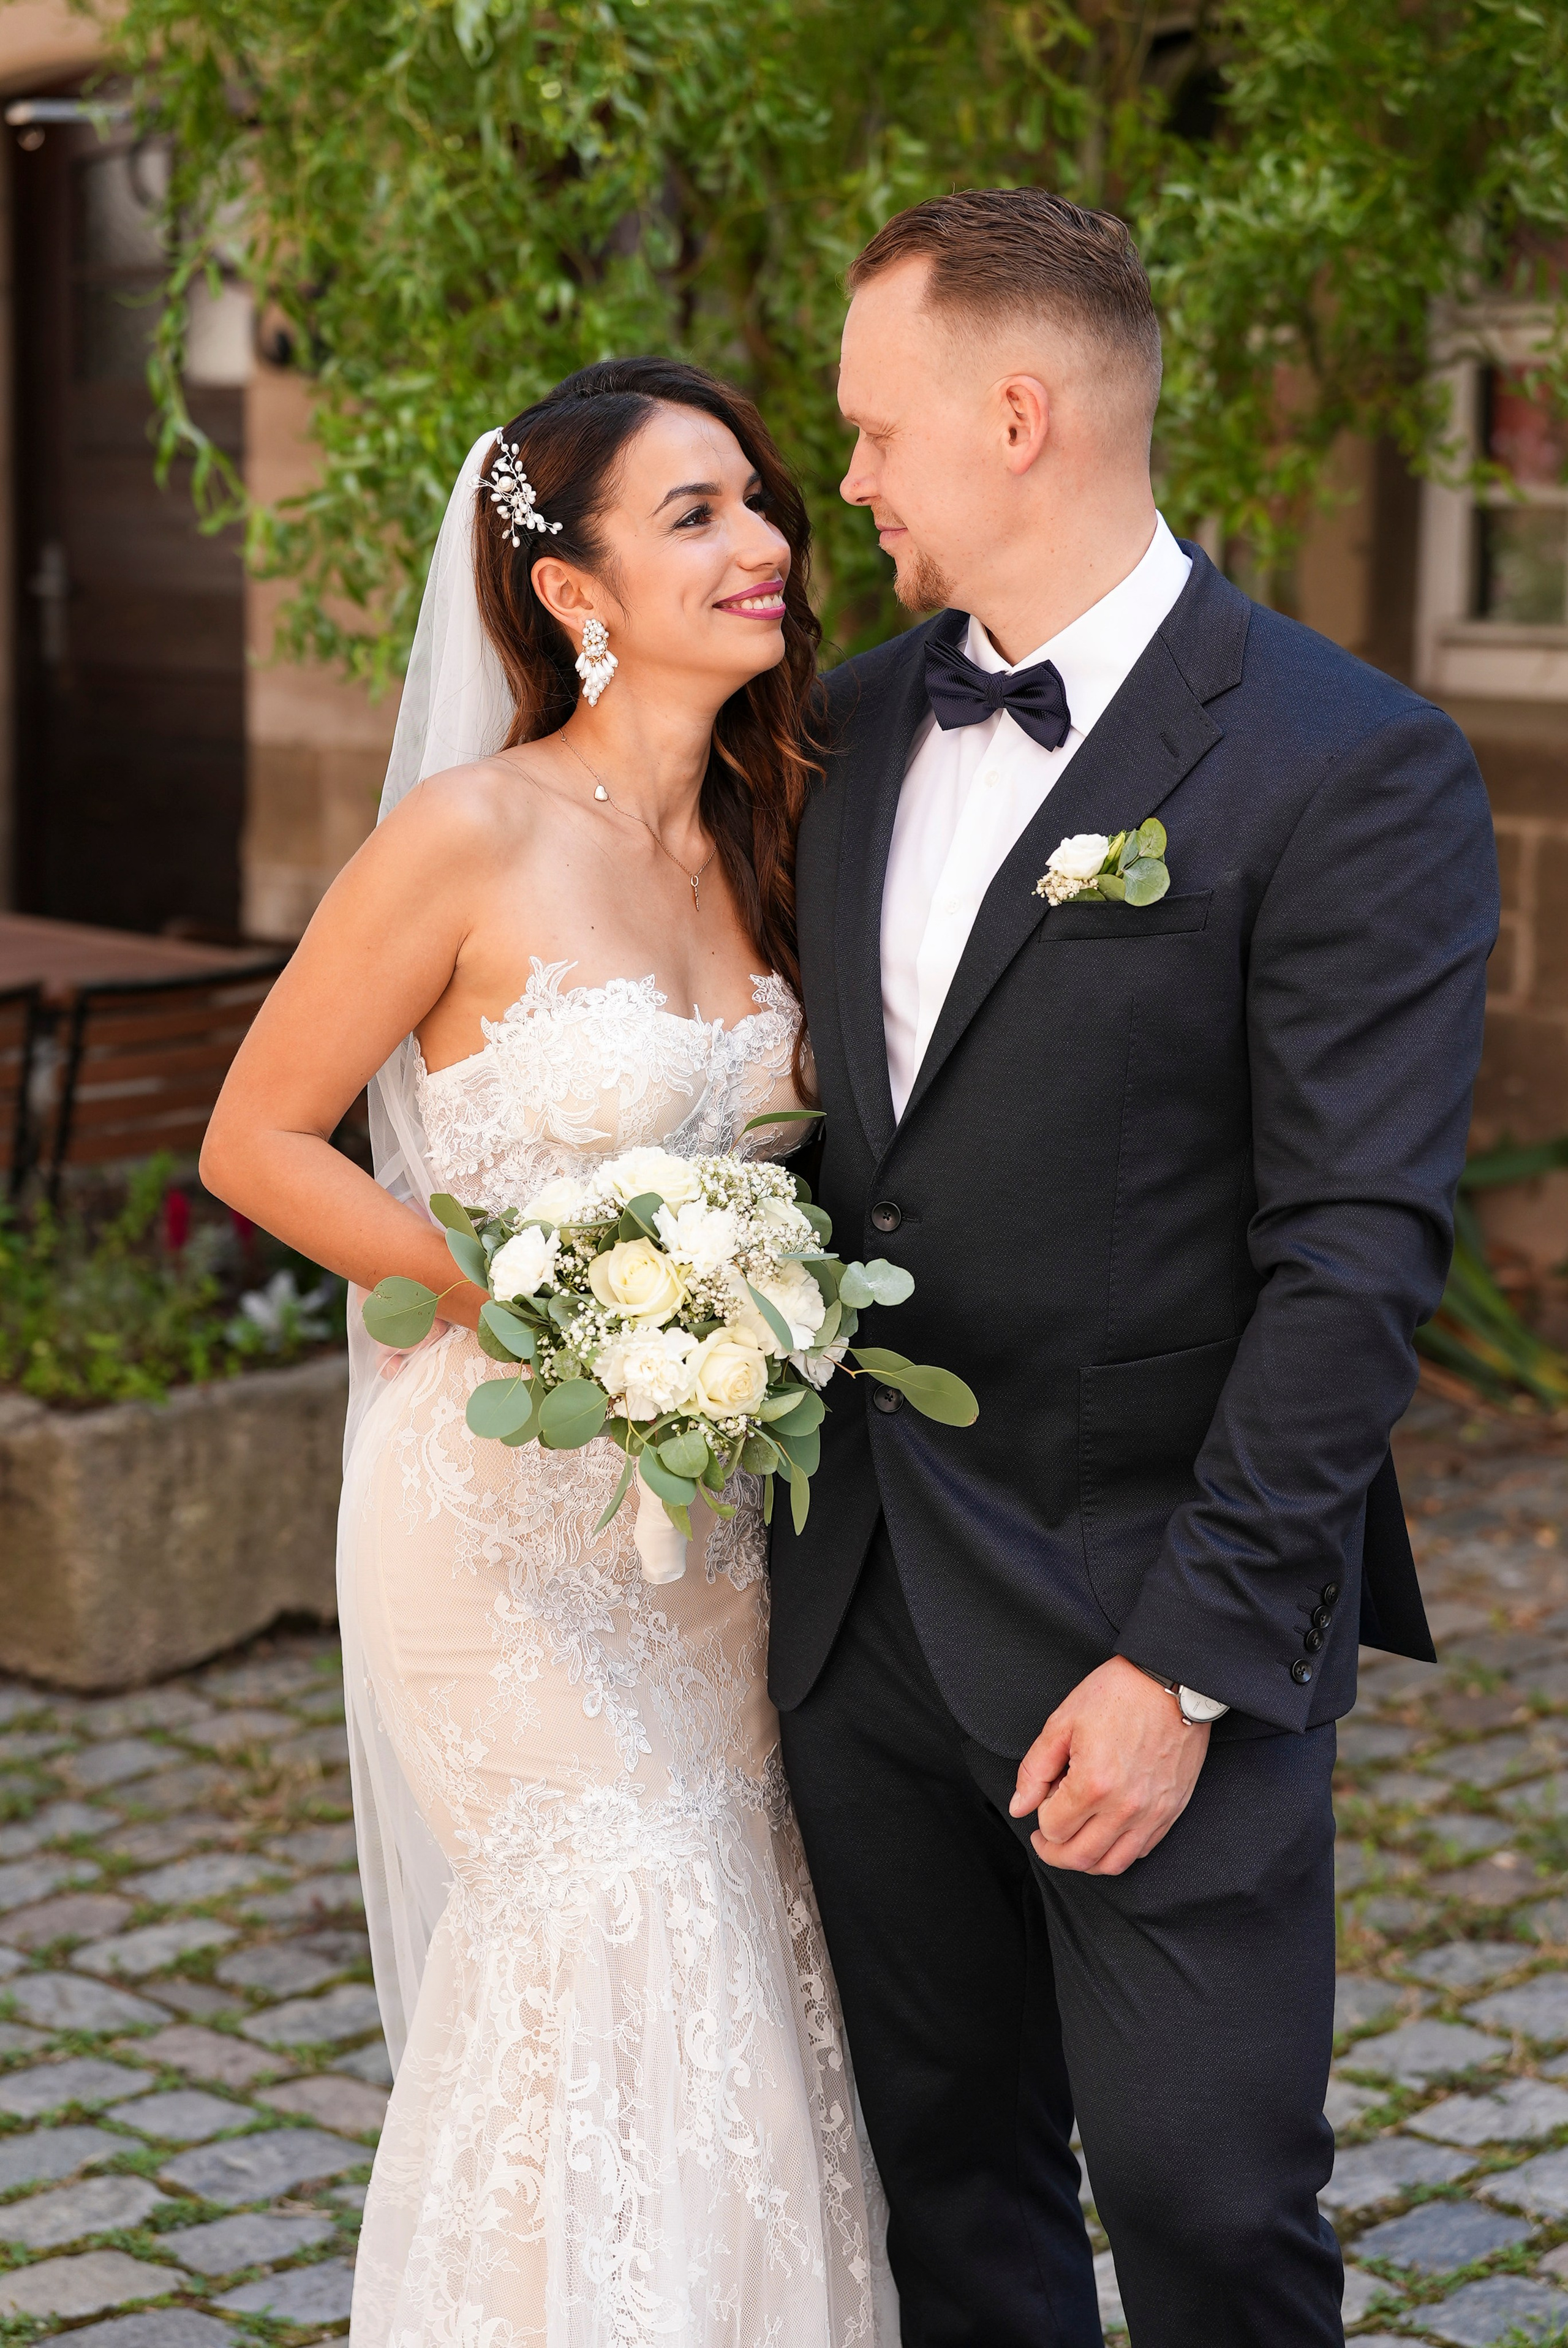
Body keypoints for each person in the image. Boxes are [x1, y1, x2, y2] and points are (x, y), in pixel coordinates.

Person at [769, 186, 1499, 2347]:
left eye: (876, 431)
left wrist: (1183, 1667)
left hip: (1150, 1605)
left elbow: (1356, 1257)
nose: (857, 480)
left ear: (1016, 413)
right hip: (861, 1606)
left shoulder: (1348, 762)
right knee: (951, 2191)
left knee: (1209, 2205)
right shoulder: (842, 729)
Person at [200, 358, 889, 2346]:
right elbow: (256, 1135)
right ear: (572, 586)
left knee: (741, 1984)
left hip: (710, 1542)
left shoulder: (773, 839)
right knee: (620, 1940)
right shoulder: (469, 832)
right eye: (697, 514)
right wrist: (512, 1295)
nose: (764, 542)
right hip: (497, 1530)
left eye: (763, 503)